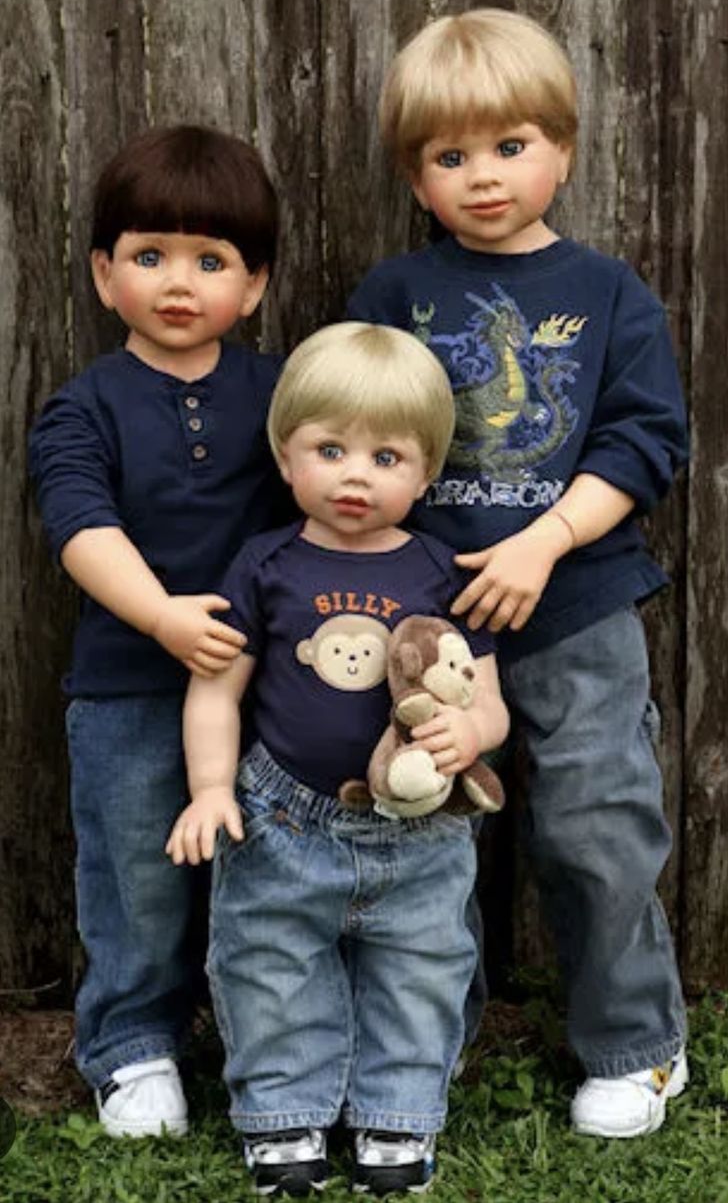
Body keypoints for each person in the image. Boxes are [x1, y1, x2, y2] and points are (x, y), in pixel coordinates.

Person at [346, 7, 689, 1140]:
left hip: (576, 603)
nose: (483, 176)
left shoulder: (606, 295)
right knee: (421, 822)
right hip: (428, 620)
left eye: (510, 145)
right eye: (449, 156)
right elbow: (357, 431)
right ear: (416, 174)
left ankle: (635, 1044)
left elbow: (644, 441)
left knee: (596, 821)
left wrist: (546, 539)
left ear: (564, 148)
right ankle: (415, 1048)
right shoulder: (395, 297)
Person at [166, 321, 510, 1196]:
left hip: (423, 827)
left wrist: (471, 736)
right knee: (269, 963)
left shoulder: (442, 571)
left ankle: (397, 1117)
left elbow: (489, 698)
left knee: (422, 968)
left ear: (428, 472)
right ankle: (285, 1118)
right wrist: (210, 787)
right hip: (285, 815)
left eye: (387, 457)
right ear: (287, 457)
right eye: (331, 449)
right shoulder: (264, 564)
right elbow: (216, 689)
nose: (356, 475)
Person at [28, 124, 290, 1138]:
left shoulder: (278, 396)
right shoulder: (84, 405)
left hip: (268, 685)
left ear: (253, 285)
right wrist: (162, 615)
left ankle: (270, 1035)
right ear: (104, 273)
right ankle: (133, 1042)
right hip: (129, 682)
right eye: (149, 255)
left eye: (210, 260)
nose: (177, 281)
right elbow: (81, 527)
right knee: (138, 870)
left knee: (267, 861)